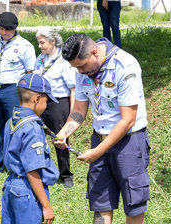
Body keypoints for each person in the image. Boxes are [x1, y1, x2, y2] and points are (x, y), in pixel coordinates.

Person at [54, 33, 151, 224]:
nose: (80, 72)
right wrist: (64, 133)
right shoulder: (82, 72)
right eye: (76, 68)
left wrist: (96, 152)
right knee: (100, 200)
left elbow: (128, 120)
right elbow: (79, 110)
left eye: (82, 66)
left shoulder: (125, 66)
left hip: (129, 143)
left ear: (94, 52)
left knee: (134, 201)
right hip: (99, 138)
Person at [1, 73, 60, 224]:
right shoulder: (33, 128)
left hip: (10, 185)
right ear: (37, 99)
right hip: (27, 191)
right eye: (46, 101)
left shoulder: (11, 121)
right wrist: (46, 206)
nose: (46, 106)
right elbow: (32, 170)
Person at [0, 12, 36, 176]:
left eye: (8, 30)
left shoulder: (24, 46)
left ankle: (15, 164)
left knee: (14, 127)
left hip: (12, 90)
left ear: (15, 29)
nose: (5, 32)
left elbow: (30, 72)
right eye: (2, 29)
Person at [34, 27, 76, 188]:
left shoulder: (64, 60)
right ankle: (43, 172)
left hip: (58, 103)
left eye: (42, 42)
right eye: (39, 42)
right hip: (40, 101)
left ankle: (66, 175)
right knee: (37, 137)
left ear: (53, 41)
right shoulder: (40, 58)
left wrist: (72, 112)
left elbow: (73, 88)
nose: (40, 46)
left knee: (60, 138)